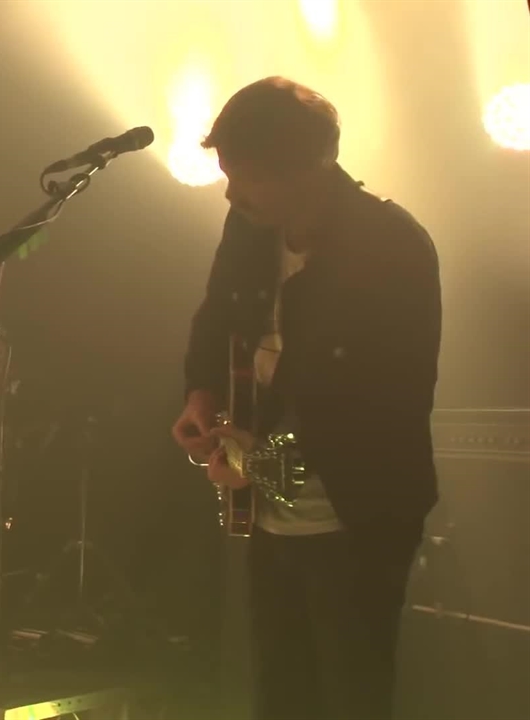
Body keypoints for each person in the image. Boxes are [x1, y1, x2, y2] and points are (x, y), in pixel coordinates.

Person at [171, 77, 441, 720]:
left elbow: (381, 405)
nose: (232, 193)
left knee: (351, 696)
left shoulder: (392, 245)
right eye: (228, 174)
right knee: (280, 693)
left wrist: (255, 461)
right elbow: (215, 317)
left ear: (310, 166)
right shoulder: (249, 228)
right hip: (274, 514)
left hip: (360, 517)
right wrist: (201, 392)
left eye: (249, 177)